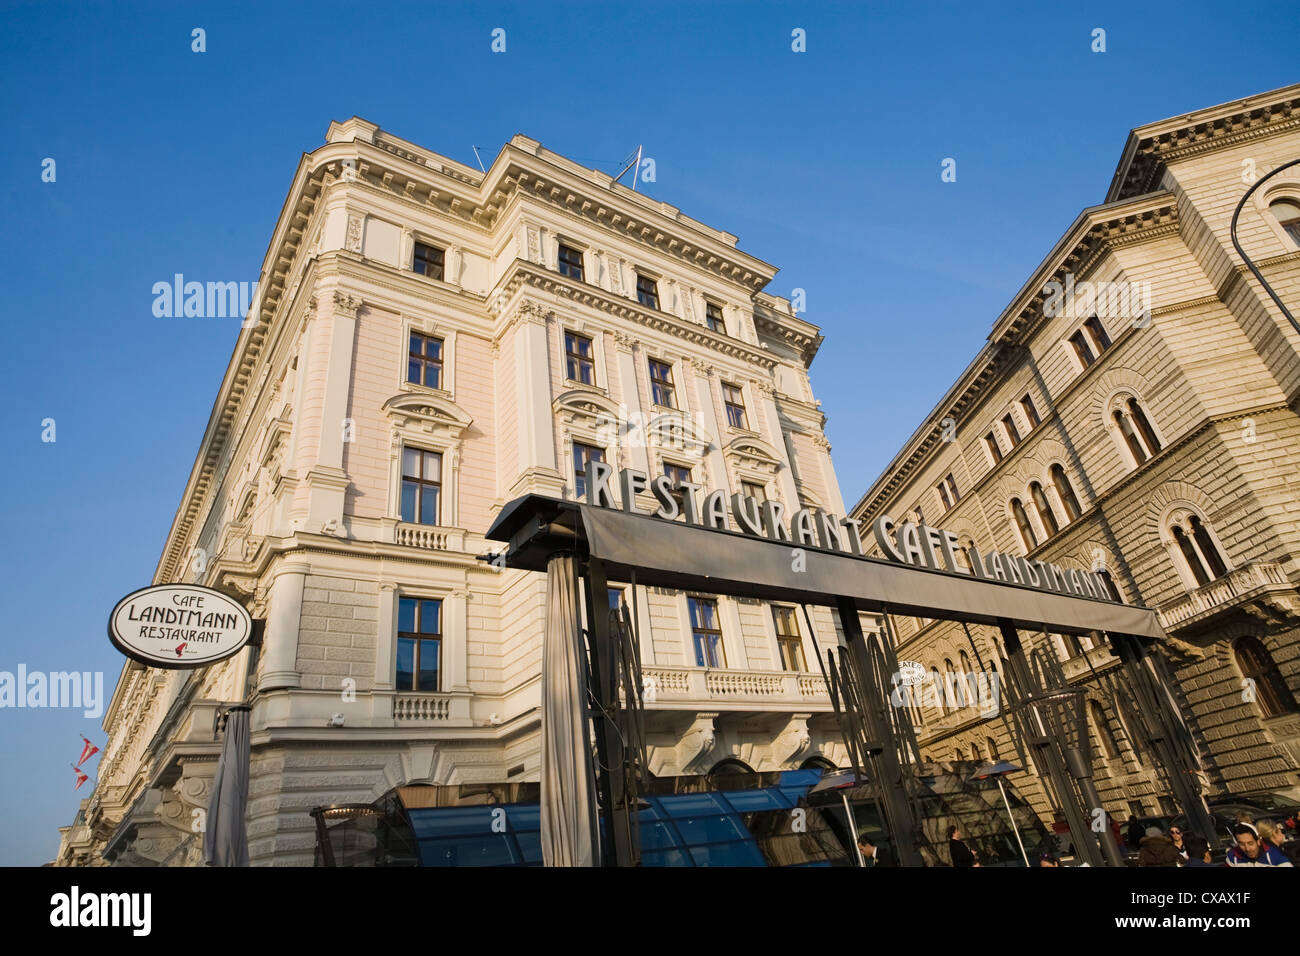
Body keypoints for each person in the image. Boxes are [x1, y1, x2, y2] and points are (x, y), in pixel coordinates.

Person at [1225, 823, 1293, 867]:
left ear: (1258, 841)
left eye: (1250, 843)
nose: (1247, 849)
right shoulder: (1233, 857)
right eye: (1242, 844)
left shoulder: (1274, 855)